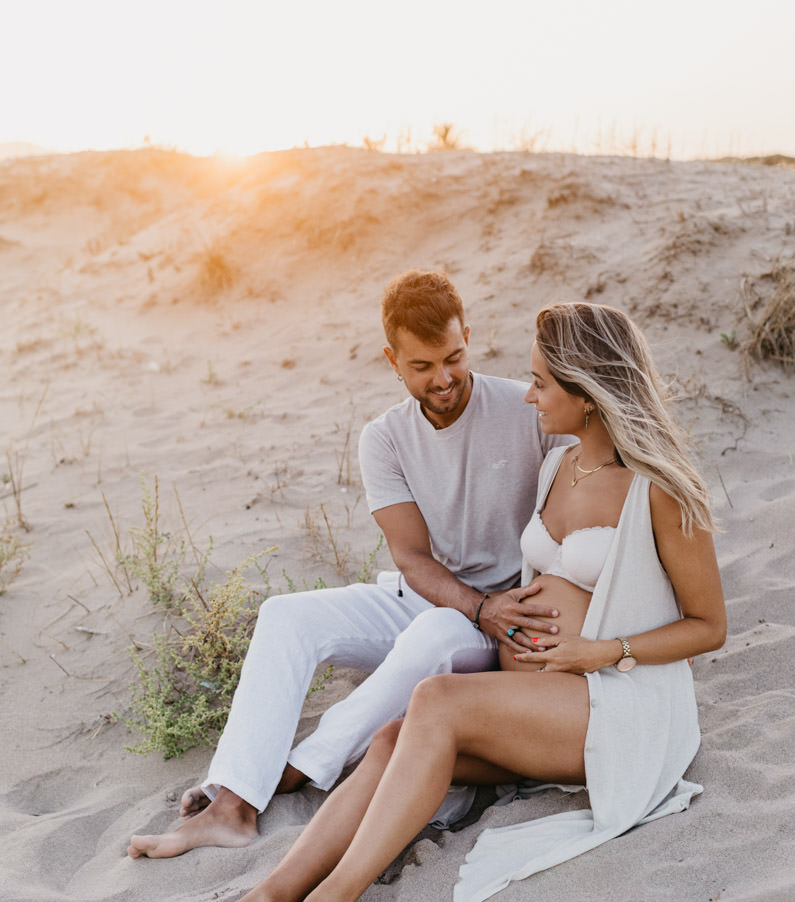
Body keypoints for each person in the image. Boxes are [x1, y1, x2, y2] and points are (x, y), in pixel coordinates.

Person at [150, 301, 727, 902]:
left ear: (586, 393)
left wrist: (601, 650)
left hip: (618, 705)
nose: (529, 394)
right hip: (540, 705)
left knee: (437, 697)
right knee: (394, 738)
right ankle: (267, 899)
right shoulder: (557, 468)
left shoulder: (663, 490)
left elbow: (708, 626)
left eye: (541, 381)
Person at [129, 270, 572, 859]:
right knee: (286, 615)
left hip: (498, 623)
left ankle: (290, 772)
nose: (442, 379)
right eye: (421, 366)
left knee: (438, 631)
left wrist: (498, 611)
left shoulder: (528, 410)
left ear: (467, 334)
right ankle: (233, 805)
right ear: (392, 360)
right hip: (441, 600)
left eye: (453, 357)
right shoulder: (384, 439)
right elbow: (412, 557)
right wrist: (475, 604)